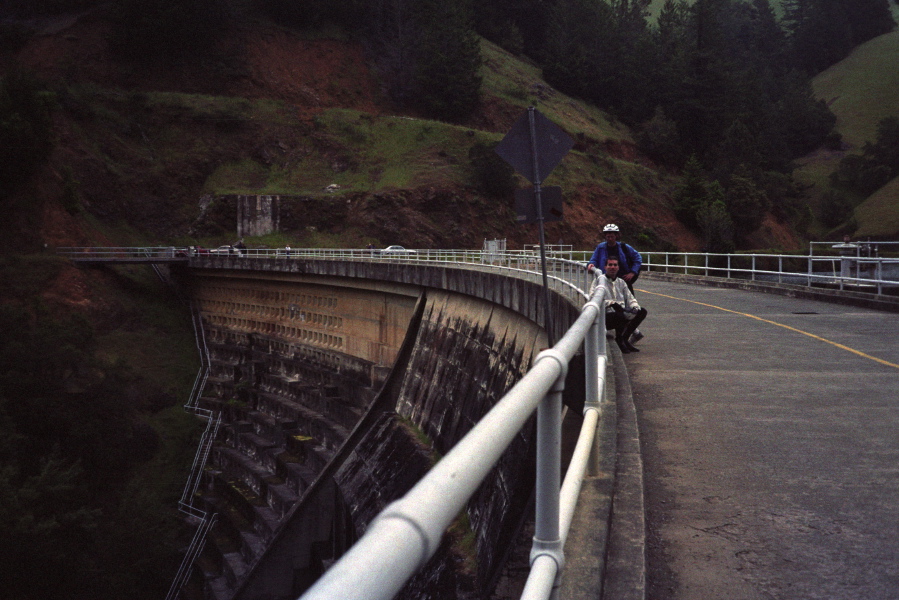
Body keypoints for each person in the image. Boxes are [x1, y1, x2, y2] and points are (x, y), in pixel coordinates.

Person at [587, 223, 644, 343]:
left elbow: (637, 258)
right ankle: (630, 334)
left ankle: (631, 333)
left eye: (612, 235)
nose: (609, 237)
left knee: (629, 306)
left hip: (623, 281)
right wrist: (590, 264)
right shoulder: (601, 247)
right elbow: (594, 259)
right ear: (605, 236)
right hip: (608, 281)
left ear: (617, 236)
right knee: (614, 307)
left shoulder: (624, 247)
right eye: (607, 235)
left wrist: (632, 272)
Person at [598, 257, 647, 354]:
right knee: (619, 313)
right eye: (610, 265)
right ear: (605, 267)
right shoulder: (600, 281)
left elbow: (630, 298)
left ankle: (625, 338)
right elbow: (593, 298)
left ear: (618, 267)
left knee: (642, 311)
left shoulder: (621, 282)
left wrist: (635, 307)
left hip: (621, 314)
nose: (612, 267)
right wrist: (611, 303)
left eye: (615, 265)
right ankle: (619, 340)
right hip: (606, 317)